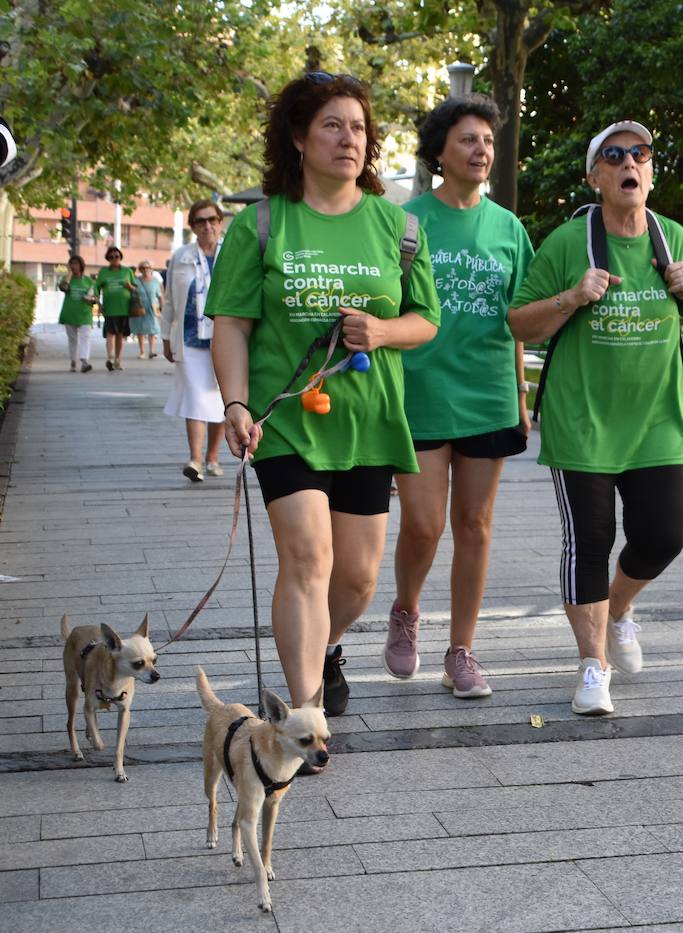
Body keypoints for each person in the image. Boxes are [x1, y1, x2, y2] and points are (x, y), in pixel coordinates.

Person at [208, 72, 441, 721]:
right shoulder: (260, 222)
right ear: (299, 137)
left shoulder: (398, 227)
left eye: (359, 127)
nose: (349, 139)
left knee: (359, 577)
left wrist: (385, 329)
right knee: (308, 557)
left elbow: (426, 319)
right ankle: (304, 712)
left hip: (368, 420)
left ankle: (328, 644)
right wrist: (236, 403)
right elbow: (231, 321)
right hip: (284, 418)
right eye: (333, 125)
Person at [508, 120, 683, 716]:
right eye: (615, 155)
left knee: (664, 536)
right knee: (590, 540)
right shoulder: (566, 242)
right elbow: (520, 323)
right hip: (584, 421)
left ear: (650, 172)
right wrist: (572, 297)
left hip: (655, 422)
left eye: (641, 154)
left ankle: (620, 608)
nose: (631, 162)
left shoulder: (671, 236)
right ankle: (592, 665)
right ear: (595, 175)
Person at [386, 95, 533, 698]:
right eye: (469, 140)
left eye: (488, 142)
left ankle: (462, 651)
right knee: (424, 525)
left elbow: (520, 317)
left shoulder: (508, 227)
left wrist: (520, 399)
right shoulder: (405, 220)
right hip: (418, 394)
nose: (482, 150)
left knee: (474, 524)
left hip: (488, 393)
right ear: (439, 151)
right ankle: (405, 610)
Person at [162, 198, 227, 482]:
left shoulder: (234, 253)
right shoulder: (181, 256)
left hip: (227, 338)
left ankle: (213, 457)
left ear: (220, 222)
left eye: (212, 219)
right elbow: (169, 302)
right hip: (189, 338)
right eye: (200, 221)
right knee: (195, 398)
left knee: (222, 401)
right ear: (192, 226)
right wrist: (165, 337)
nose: (207, 226)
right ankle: (195, 460)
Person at [95, 246, 136, 371]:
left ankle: (118, 360)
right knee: (109, 333)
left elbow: (135, 289)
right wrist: (99, 304)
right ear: (108, 259)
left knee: (120, 334)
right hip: (109, 308)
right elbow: (96, 289)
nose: (114, 259)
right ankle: (110, 357)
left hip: (124, 308)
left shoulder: (127, 271)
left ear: (120, 257)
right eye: (111, 257)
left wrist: (129, 286)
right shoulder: (103, 272)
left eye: (117, 256)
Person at [57, 255, 96, 373]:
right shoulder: (67, 279)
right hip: (70, 313)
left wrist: (91, 299)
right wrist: (68, 274)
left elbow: (94, 297)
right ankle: (73, 361)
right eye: (72, 264)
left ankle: (84, 362)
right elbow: (63, 288)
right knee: (73, 339)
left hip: (85, 314)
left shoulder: (89, 281)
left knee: (85, 337)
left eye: (76, 263)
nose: (74, 266)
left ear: (81, 266)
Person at [131, 261, 162, 359]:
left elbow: (160, 295)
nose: (145, 270)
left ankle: (151, 351)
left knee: (152, 329)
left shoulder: (155, 281)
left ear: (151, 269)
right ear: (140, 270)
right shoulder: (136, 281)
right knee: (140, 329)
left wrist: (162, 306)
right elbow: (132, 293)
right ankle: (142, 351)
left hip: (152, 307)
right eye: (143, 268)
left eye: (147, 268)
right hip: (140, 307)